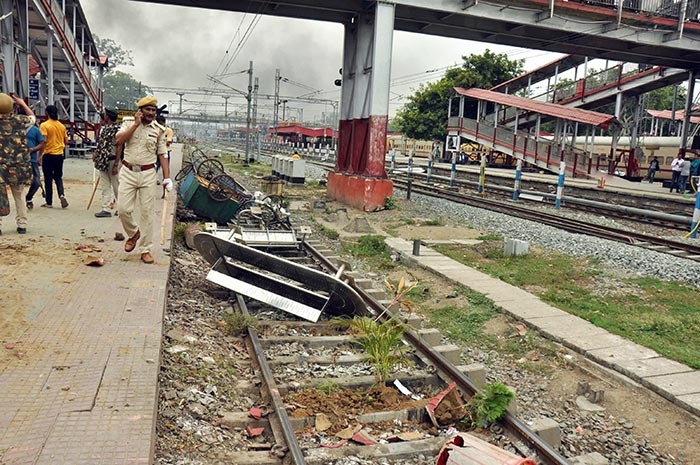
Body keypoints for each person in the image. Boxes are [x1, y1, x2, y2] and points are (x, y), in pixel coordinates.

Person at [115, 96, 172, 264]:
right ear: (140, 110)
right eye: (148, 110)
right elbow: (119, 140)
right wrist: (135, 124)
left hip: (148, 173)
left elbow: (163, 154)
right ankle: (133, 234)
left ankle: (145, 249)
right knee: (123, 209)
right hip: (128, 171)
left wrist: (167, 178)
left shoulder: (159, 130)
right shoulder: (127, 123)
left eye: (153, 110)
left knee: (147, 213)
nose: (151, 113)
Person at [0, 93, 36, 235]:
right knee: (19, 196)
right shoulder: (20, 120)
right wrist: (22, 104)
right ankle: (22, 225)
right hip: (18, 166)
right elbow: (33, 118)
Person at [93, 109, 121, 218]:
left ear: (107, 117)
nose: (103, 116)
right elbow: (101, 144)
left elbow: (119, 147)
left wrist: (116, 164)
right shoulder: (105, 129)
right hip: (102, 161)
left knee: (116, 186)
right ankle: (105, 208)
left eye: (104, 115)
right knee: (105, 186)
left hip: (112, 160)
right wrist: (96, 153)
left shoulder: (117, 130)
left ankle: (121, 208)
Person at [40, 104, 69, 208]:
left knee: (48, 178)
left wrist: (39, 156)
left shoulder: (44, 125)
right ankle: (61, 194)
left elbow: (44, 141)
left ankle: (49, 202)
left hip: (48, 155)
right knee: (58, 177)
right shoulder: (61, 126)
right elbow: (66, 141)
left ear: (47, 113)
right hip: (59, 155)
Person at [24, 119, 46, 209]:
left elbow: (42, 143)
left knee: (36, 181)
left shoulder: (35, 130)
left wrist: (34, 150)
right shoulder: (14, 128)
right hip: (17, 161)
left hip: (32, 159)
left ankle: (28, 198)